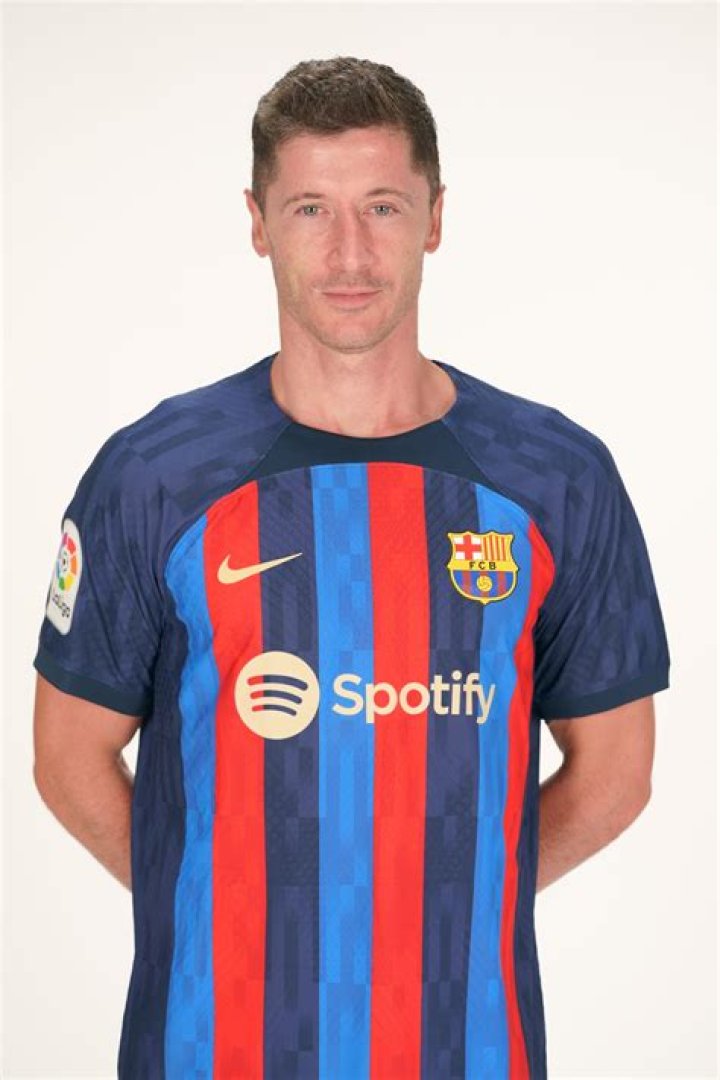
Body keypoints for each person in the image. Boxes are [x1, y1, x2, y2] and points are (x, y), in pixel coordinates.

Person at [32, 55, 670, 1080]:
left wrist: (450, 910)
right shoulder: (155, 473)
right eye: (309, 210)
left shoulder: (557, 474)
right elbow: (66, 757)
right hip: (206, 1052)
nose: (349, 253)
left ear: (435, 217)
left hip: (466, 1053)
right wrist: (222, 908)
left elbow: (617, 773)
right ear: (256, 222)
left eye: (381, 206)